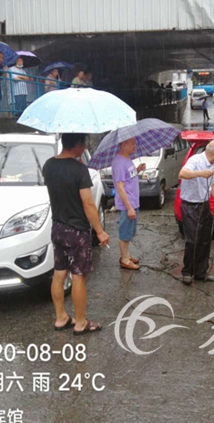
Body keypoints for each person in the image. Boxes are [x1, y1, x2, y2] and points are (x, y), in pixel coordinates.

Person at [43, 133, 109, 335]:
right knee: (79, 276)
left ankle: (61, 317)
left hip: (58, 227)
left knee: (59, 273)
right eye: (84, 143)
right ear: (78, 144)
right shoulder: (80, 170)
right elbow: (88, 204)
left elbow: (60, 187)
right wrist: (100, 231)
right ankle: (81, 322)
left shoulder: (48, 165)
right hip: (77, 231)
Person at [178, 140, 214, 285]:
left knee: (205, 239)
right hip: (191, 205)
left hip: (204, 204)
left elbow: (212, 184)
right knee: (193, 240)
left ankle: (201, 272)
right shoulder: (195, 160)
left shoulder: (212, 164)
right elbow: (182, 173)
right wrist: (200, 173)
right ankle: (187, 272)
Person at [112, 137, 146, 271]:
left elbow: (128, 177)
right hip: (128, 204)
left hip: (133, 202)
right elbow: (120, 187)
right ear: (124, 145)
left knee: (129, 231)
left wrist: (137, 170)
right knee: (125, 232)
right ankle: (124, 259)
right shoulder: (119, 162)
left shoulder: (127, 160)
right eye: (132, 144)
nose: (135, 146)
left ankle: (126, 255)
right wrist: (129, 207)